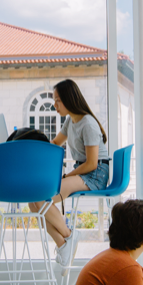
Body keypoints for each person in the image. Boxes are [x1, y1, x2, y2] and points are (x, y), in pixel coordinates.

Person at [30, 79, 110, 268]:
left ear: (69, 99)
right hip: (84, 170)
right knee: (33, 202)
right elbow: (55, 143)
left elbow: (91, 163)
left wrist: (67, 176)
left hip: (96, 173)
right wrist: (33, 149)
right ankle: (65, 243)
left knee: (41, 197)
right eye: (54, 100)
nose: (54, 105)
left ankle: (67, 237)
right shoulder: (70, 121)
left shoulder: (88, 124)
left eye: (58, 100)